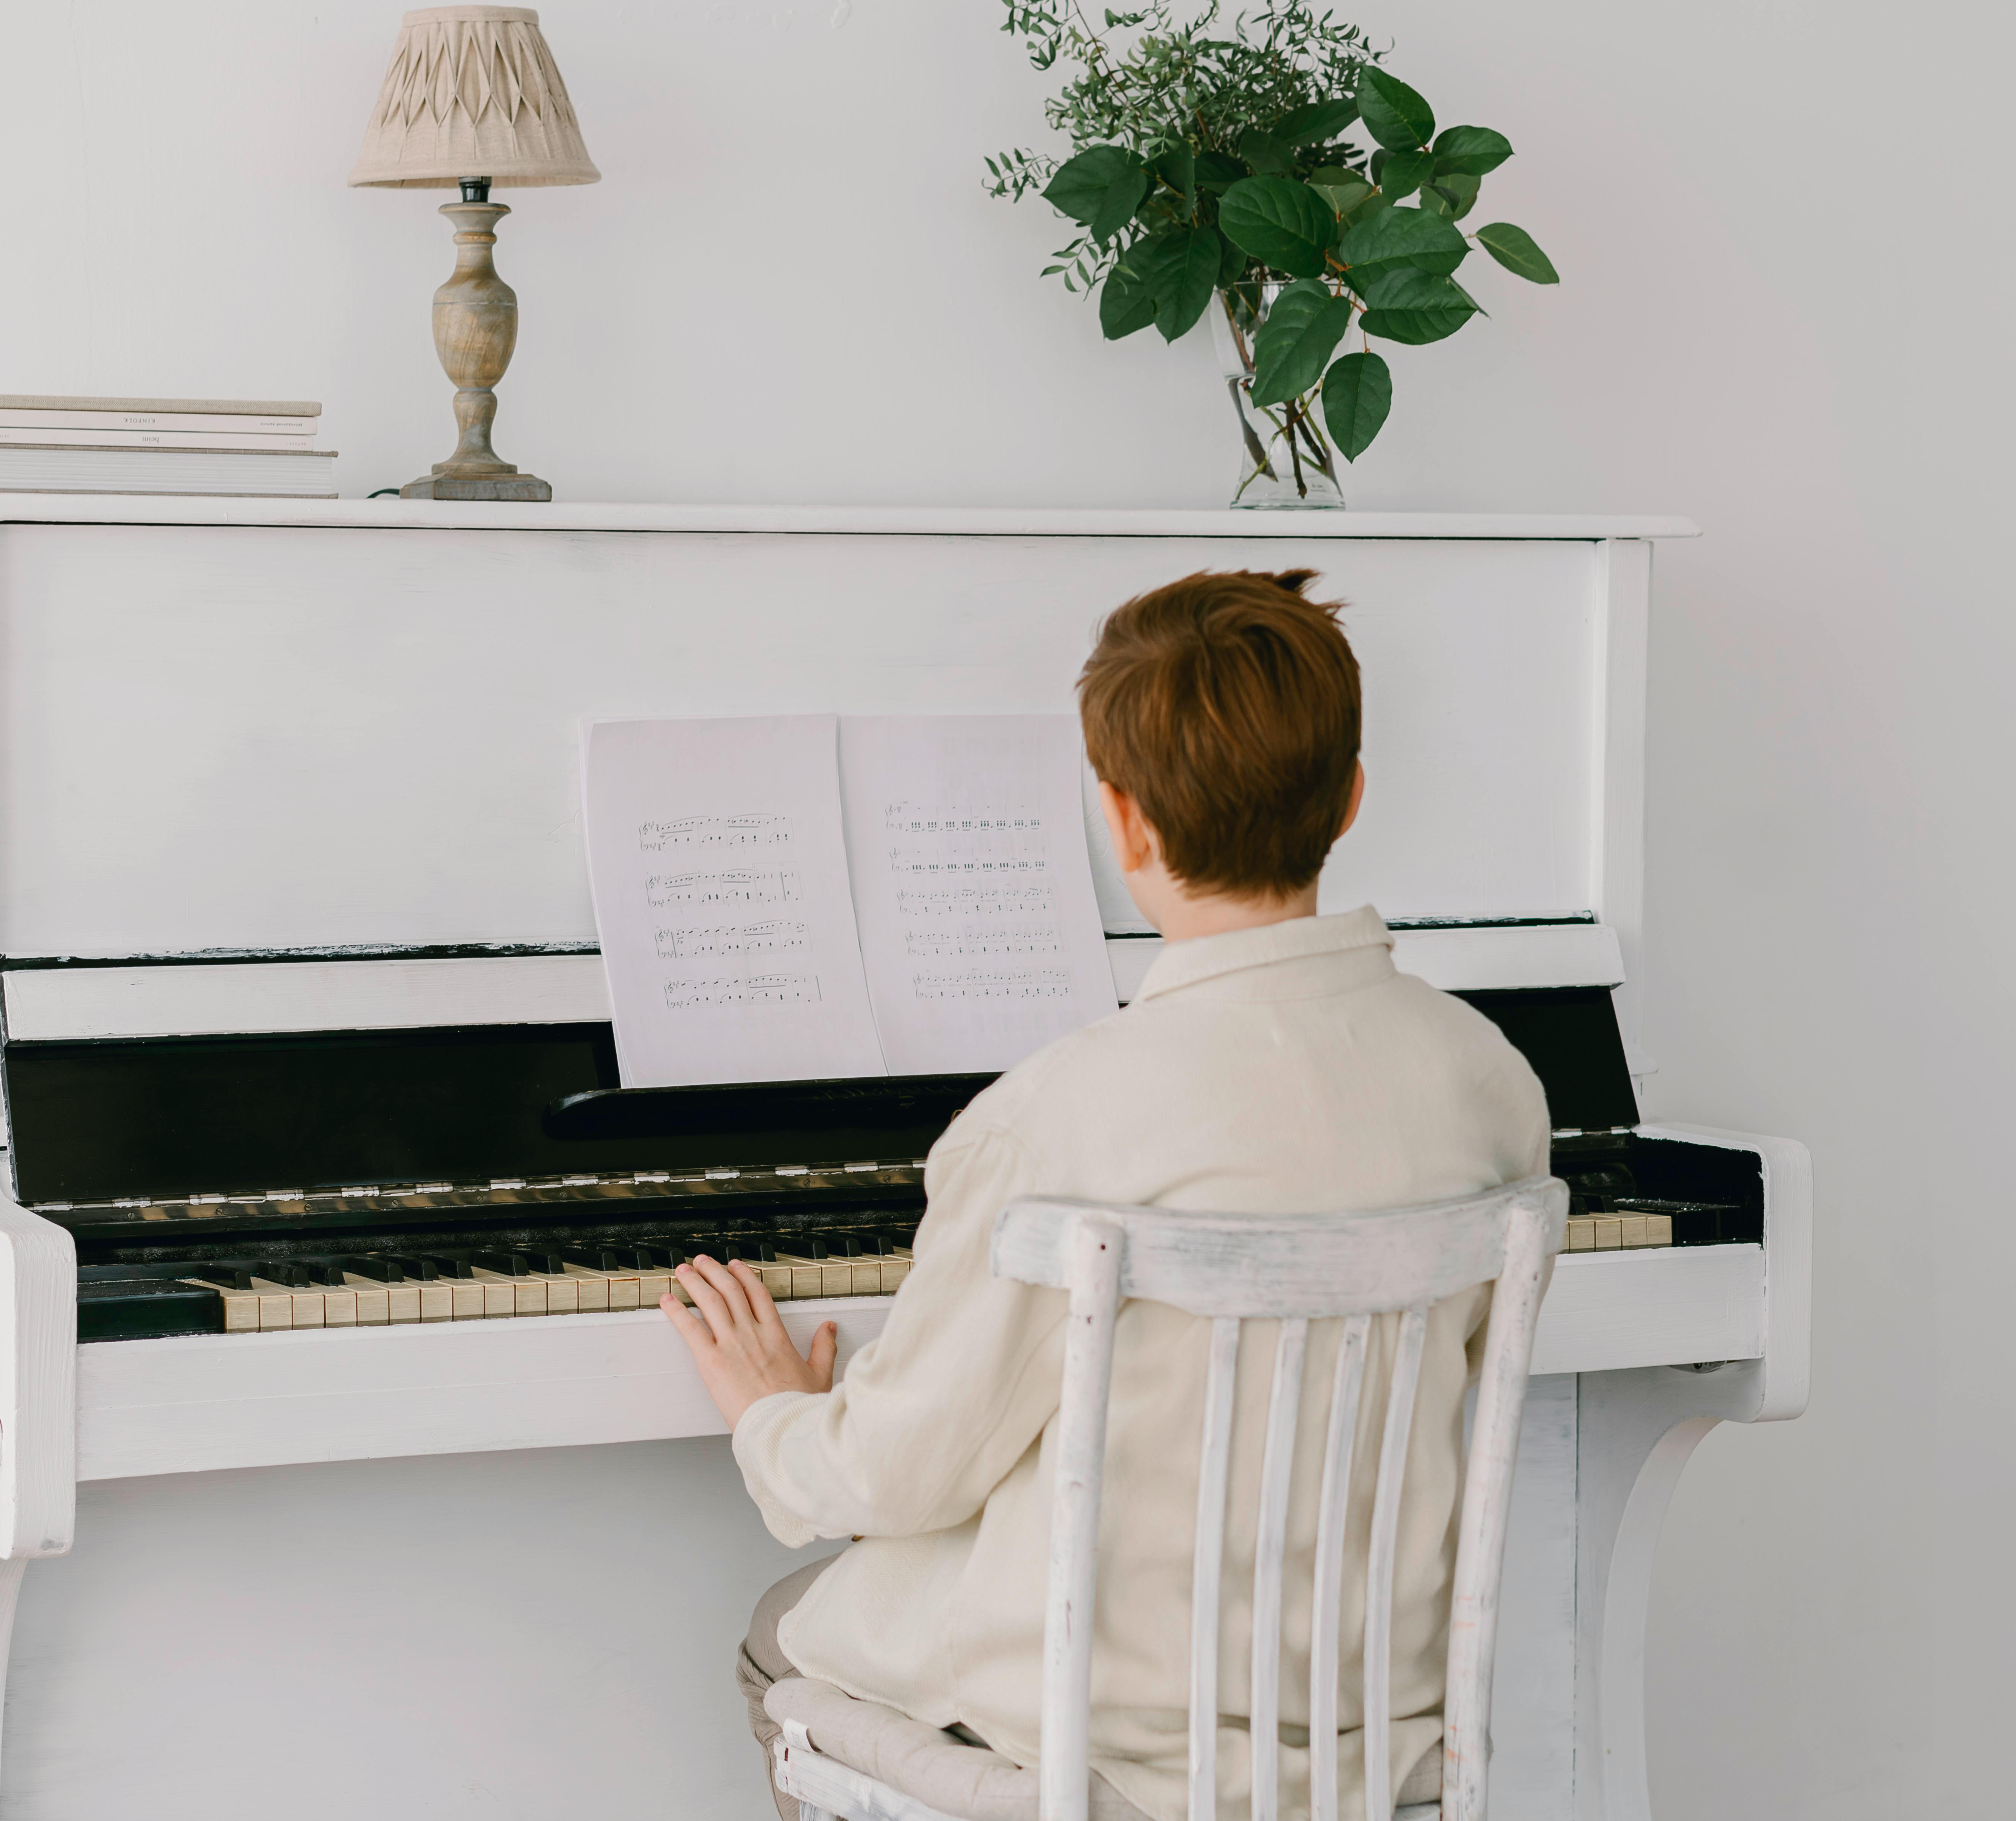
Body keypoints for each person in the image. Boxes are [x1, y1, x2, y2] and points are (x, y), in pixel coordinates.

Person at [661, 570, 1551, 1821]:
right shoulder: (1491, 1084)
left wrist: (777, 1421)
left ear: (1122, 824)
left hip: (1108, 1753)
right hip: (1368, 1730)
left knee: (783, 1638)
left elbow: (897, 1475)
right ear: (1350, 797)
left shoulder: (1054, 1117)